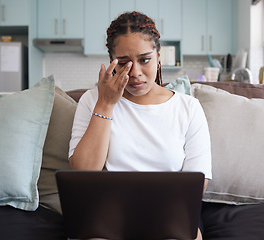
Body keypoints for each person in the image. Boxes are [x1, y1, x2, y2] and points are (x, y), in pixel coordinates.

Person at [68, 11, 212, 240]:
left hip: (170, 214)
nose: (135, 73)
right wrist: (105, 104)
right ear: (111, 61)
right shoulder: (92, 100)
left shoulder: (189, 108)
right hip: (106, 213)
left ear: (158, 56)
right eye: (124, 63)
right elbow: (83, 172)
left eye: (145, 60)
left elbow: (197, 184)